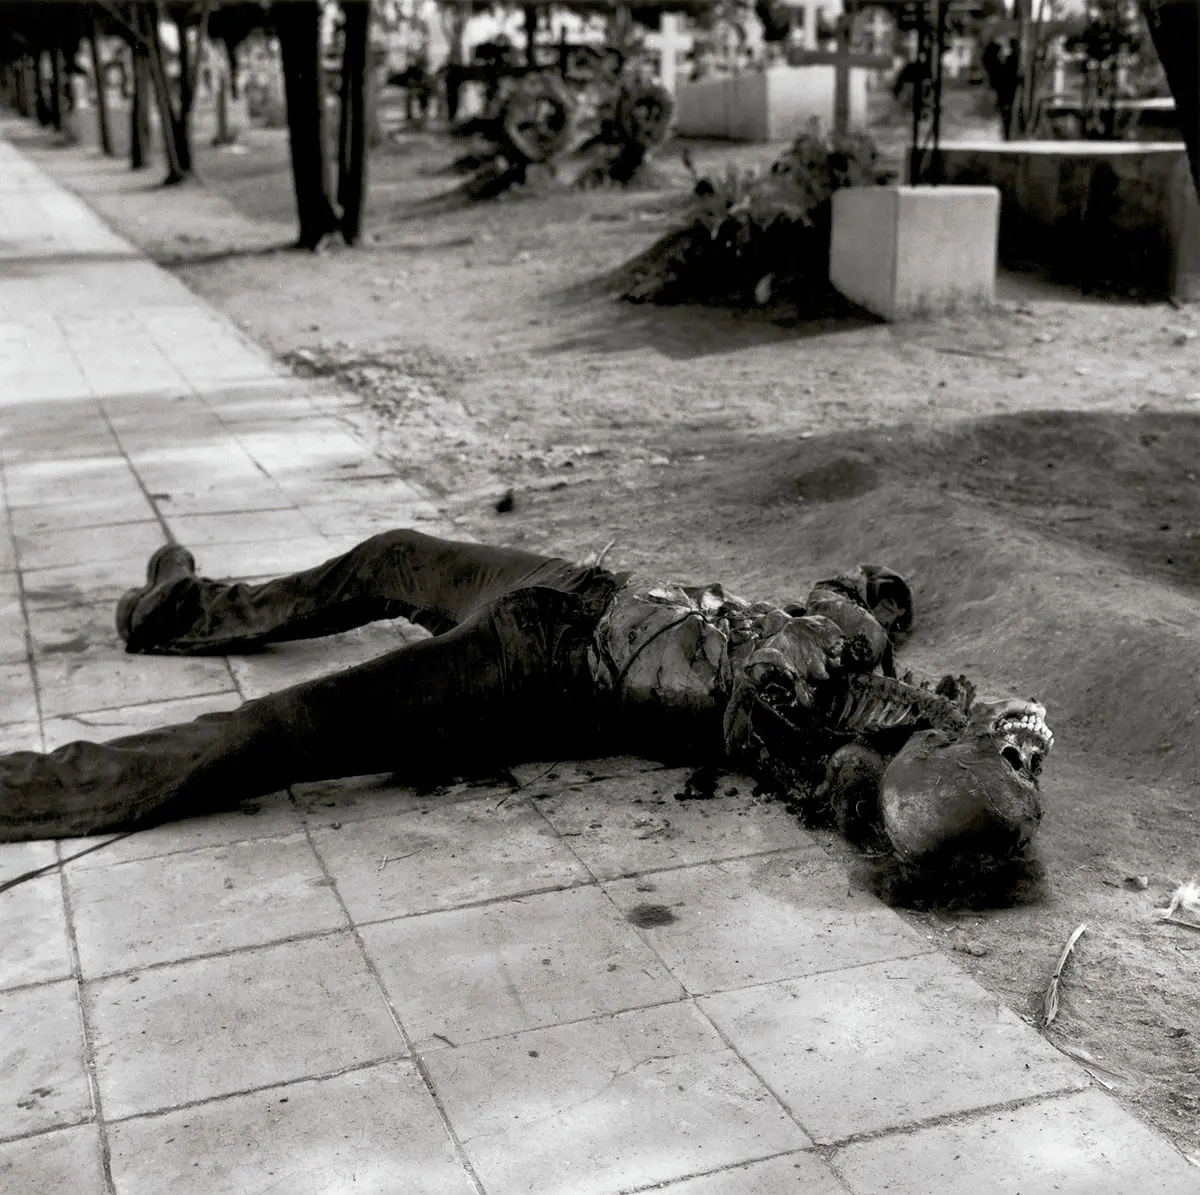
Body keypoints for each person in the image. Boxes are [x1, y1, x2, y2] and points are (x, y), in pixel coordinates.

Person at [0, 531, 1052, 880]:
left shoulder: (801, 735)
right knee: (388, 557)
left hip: (544, 670)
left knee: (276, 734)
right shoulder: (870, 696)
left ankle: (40, 788)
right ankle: (180, 610)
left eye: (974, 740)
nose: (979, 723)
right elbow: (855, 602)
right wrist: (867, 612)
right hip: (574, 591)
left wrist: (839, 626)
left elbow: (781, 672)